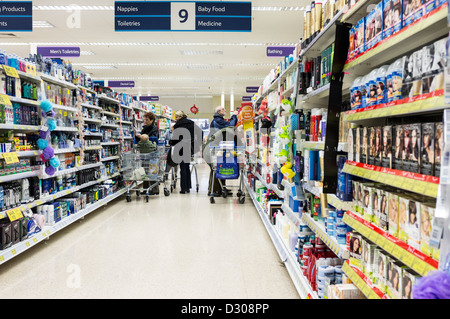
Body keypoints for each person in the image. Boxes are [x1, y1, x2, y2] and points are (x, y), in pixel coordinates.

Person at [207, 106, 239, 196]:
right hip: (214, 148)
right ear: (219, 111)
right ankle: (214, 190)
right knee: (215, 168)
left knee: (220, 166)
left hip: (217, 147)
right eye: (224, 109)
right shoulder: (218, 120)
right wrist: (234, 116)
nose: (225, 110)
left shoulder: (219, 120)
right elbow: (231, 126)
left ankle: (221, 188)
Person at [169, 110, 201, 194]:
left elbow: (176, 139)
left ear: (180, 117)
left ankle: (183, 188)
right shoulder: (191, 123)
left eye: (176, 117)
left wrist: (171, 143)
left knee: (182, 168)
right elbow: (200, 132)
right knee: (187, 167)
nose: (175, 119)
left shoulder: (178, 125)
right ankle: (188, 187)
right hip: (189, 148)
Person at [136, 112, 159, 194]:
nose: (145, 121)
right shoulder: (144, 128)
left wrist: (143, 137)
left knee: (152, 171)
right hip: (144, 152)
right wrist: (138, 136)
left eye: (147, 120)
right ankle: (146, 189)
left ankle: (155, 189)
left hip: (152, 152)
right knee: (144, 171)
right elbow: (141, 138)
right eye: (144, 119)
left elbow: (153, 138)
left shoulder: (154, 128)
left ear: (152, 120)